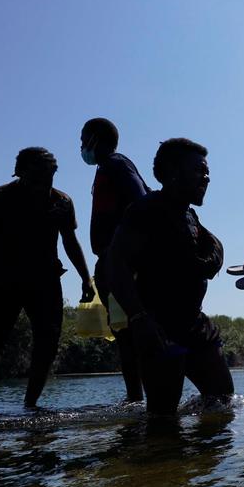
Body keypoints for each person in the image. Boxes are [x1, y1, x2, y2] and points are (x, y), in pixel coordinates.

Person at [105, 137, 234, 415]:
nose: (206, 178)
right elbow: (115, 266)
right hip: (159, 329)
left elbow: (208, 260)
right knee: (163, 420)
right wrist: (139, 318)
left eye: (207, 171)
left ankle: (195, 460)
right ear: (174, 172)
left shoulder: (189, 215)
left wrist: (216, 251)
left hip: (195, 325)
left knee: (222, 403)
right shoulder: (145, 211)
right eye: (199, 170)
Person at [0, 147, 95, 411]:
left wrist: (85, 278)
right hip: (3, 283)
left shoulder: (62, 202)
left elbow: (70, 241)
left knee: (48, 343)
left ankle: (30, 406)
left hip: (45, 283)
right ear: (20, 173)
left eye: (50, 176)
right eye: (37, 178)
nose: (44, 184)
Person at [81, 117, 150, 403]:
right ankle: (136, 397)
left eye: (84, 139)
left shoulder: (116, 164)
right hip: (111, 259)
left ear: (96, 139)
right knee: (123, 331)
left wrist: (120, 252)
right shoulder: (106, 169)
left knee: (130, 331)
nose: (82, 146)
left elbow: (141, 201)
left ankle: (140, 399)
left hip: (122, 260)